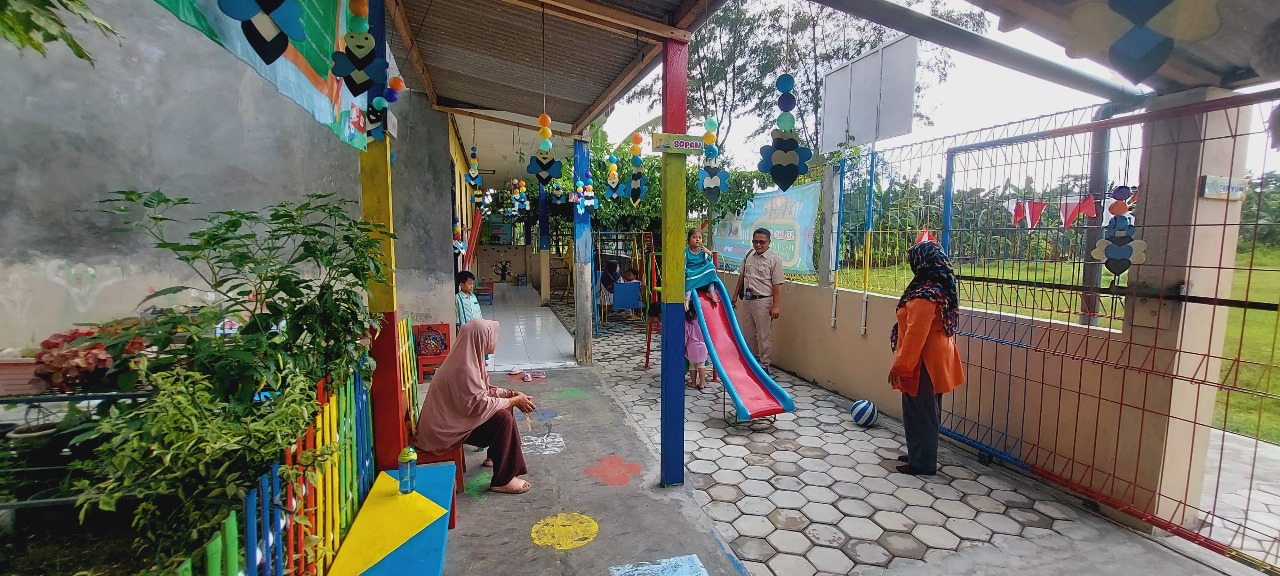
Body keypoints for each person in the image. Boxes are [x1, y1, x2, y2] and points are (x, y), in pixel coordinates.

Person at [413, 319, 538, 494]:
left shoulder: (466, 360)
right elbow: (480, 404)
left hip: (452, 421)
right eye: (491, 337)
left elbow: (484, 392)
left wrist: (511, 394)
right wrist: (514, 401)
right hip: (444, 432)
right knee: (503, 418)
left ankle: (495, 456)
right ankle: (503, 480)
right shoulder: (464, 369)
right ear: (480, 339)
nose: (494, 340)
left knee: (503, 408)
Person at [888, 241, 966, 476]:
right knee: (926, 409)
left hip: (924, 361)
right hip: (933, 358)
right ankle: (918, 453)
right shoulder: (934, 287)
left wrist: (901, 366)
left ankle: (922, 462)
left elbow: (916, 335)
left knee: (920, 410)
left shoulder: (925, 295)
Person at [731, 228, 783, 372]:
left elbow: (777, 285)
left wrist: (775, 306)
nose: (758, 244)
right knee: (748, 334)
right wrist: (734, 296)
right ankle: (751, 362)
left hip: (763, 302)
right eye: (755, 241)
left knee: (764, 335)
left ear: (769, 242)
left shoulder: (774, 260)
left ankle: (764, 365)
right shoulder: (749, 255)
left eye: (762, 242)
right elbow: (742, 277)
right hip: (748, 301)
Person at [685, 227, 718, 306]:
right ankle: (687, 298)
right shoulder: (686, 252)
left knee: (711, 267)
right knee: (688, 275)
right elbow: (684, 266)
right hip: (691, 274)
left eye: (699, 237)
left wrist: (709, 254)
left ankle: (710, 290)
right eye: (694, 237)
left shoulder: (703, 252)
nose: (697, 239)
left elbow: (707, 266)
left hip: (700, 274)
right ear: (689, 240)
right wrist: (688, 272)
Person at [684, 304, 709, 389]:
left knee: (692, 365)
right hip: (702, 345)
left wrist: (684, 346)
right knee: (701, 365)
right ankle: (702, 383)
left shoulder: (687, 323)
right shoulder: (702, 322)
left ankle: (693, 382)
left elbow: (685, 336)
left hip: (692, 346)